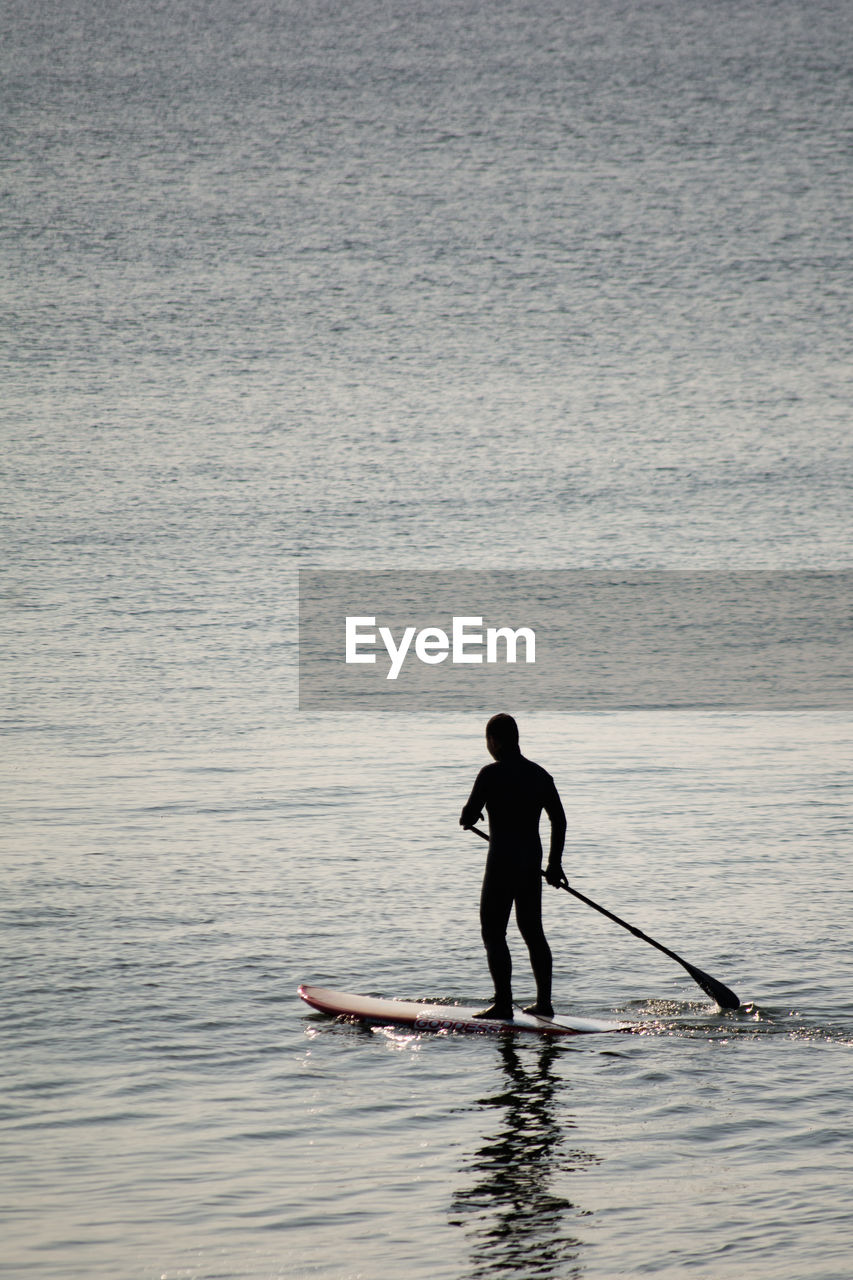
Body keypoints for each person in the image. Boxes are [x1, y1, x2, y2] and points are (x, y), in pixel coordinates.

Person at [459, 713, 567, 1020]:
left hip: (502, 863)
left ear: (494, 740)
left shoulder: (490, 774)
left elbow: (466, 816)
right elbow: (559, 820)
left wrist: (471, 818)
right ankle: (544, 1004)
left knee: (493, 933)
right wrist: (554, 863)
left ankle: (504, 1004)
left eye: (488, 741)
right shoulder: (540, 775)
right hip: (530, 862)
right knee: (533, 932)